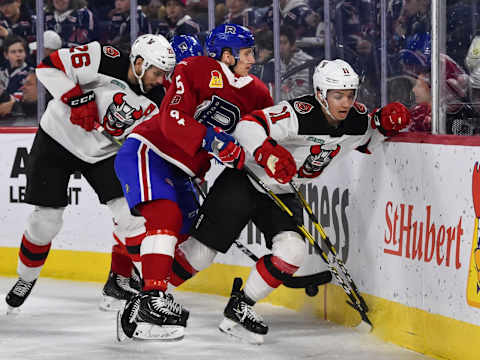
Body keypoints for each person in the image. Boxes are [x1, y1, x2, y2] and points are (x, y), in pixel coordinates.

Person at [169, 59, 411, 344]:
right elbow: (248, 126)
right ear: (320, 94)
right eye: (337, 95)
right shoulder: (298, 114)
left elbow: (366, 139)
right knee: (200, 255)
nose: (345, 102)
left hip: (282, 192)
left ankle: (240, 306)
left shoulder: (356, 119)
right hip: (245, 181)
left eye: (350, 94)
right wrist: (268, 153)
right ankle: (150, 295)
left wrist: (384, 125)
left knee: (293, 252)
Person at [115, 23, 273, 341]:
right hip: (152, 151)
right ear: (226, 55)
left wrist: (267, 155)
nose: (252, 59)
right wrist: (213, 140)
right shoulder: (194, 68)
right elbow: (171, 118)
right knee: (166, 217)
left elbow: (267, 132)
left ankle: (140, 305)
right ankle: (151, 297)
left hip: (188, 172)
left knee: (197, 249)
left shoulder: (257, 91)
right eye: (246, 52)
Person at [4, 34, 176, 313]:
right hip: (56, 139)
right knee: (46, 221)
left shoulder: (158, 99)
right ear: (141, 63)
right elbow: (48, 66)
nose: (160, 79)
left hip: (104, 153)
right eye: (157, 72)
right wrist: (76, 98)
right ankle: (26, 278)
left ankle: (149, 291)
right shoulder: (103, 57)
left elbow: (149, 140)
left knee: (131, 217)